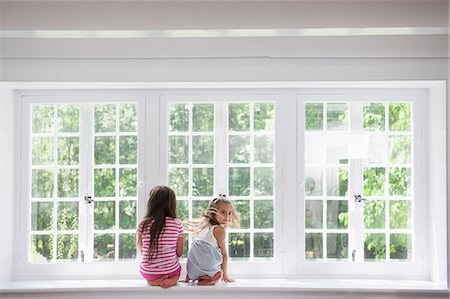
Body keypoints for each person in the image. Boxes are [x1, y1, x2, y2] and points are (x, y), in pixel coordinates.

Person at [184, 194, 240, 285]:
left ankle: (199, 277)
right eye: (223, 212)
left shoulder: (205, 227)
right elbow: (224, 255)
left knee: (197, 249)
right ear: (214, 213)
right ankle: (213, 278)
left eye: (229, 213)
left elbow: (193, 254)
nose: (227, 216)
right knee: (218, 267)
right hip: (207, 269)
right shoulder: (219, 230)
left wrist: (188, 276)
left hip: (193, 271)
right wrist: (225, 275)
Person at [136, 185, 184, 288]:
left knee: (145, 269)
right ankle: (171, 280)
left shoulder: (143, 225)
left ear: (151, 204)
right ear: (172, 204)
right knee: (177, 271)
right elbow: (179, 253)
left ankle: (153, 281)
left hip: (149, 272)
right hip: (170, 271)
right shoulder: (177, 224)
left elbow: (142, 251)